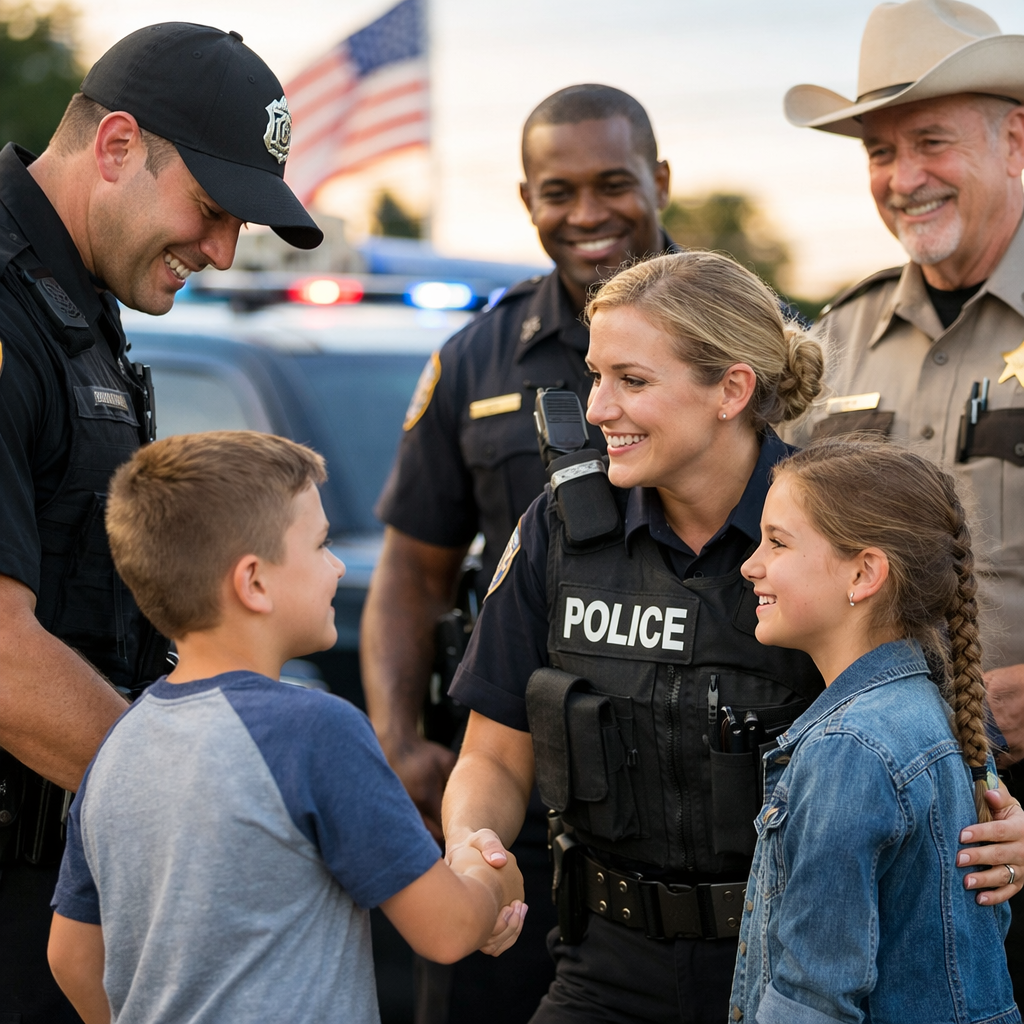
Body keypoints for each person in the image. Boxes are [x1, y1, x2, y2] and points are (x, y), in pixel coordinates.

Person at [439, 250, 1024, 1024]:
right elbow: (491, 752)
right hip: (606, 965)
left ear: (732, 389)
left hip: (799, 970)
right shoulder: (561, 526)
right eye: (596, 375)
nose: (598, 407)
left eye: (632, 380)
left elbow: (940, 750)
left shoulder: (840, 527)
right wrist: (472, 846)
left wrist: (1001, 825)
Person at [0, 23, 322, 1023]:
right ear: (115, 147)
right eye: (212, 210)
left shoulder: (70, 299)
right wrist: (202, 792)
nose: (222, 252)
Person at [363, 84, 674, 1023]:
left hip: (693, 785)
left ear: (660, 181)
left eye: (614, 183)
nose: (587, 214)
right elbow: (412, 571)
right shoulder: (476, 359)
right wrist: (397, 741)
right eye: (558, 190)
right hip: (516, 789)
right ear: (527, 199)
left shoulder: (744, 334)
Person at [47, 431, 526, 1024]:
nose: (337, 565)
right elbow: (449, 929)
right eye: (321, 545)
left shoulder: (116, 747)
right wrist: (488, 875)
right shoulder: (315, 732)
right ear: (253, 583)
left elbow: (70, 955)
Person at [783, 0, 1024, 989]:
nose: (901, 178)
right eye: (879, 152)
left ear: (1016, 140)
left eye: (930, 140)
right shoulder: (833, 341)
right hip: (858, 819)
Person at [731, 439, 1019, 1024]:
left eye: (778, 542)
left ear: (864, 573)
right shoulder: (935, 710)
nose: (749, 564)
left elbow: (814, 998)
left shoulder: (850, 748)